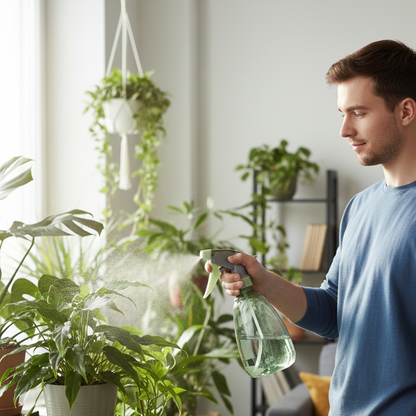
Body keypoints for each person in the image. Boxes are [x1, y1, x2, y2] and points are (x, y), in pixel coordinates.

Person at [211, 40, 416, 415]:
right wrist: (263, 280)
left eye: (358, 112)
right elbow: (333, 314)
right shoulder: (360, 207)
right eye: (342, 113)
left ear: (405, 111)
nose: (344, 129)